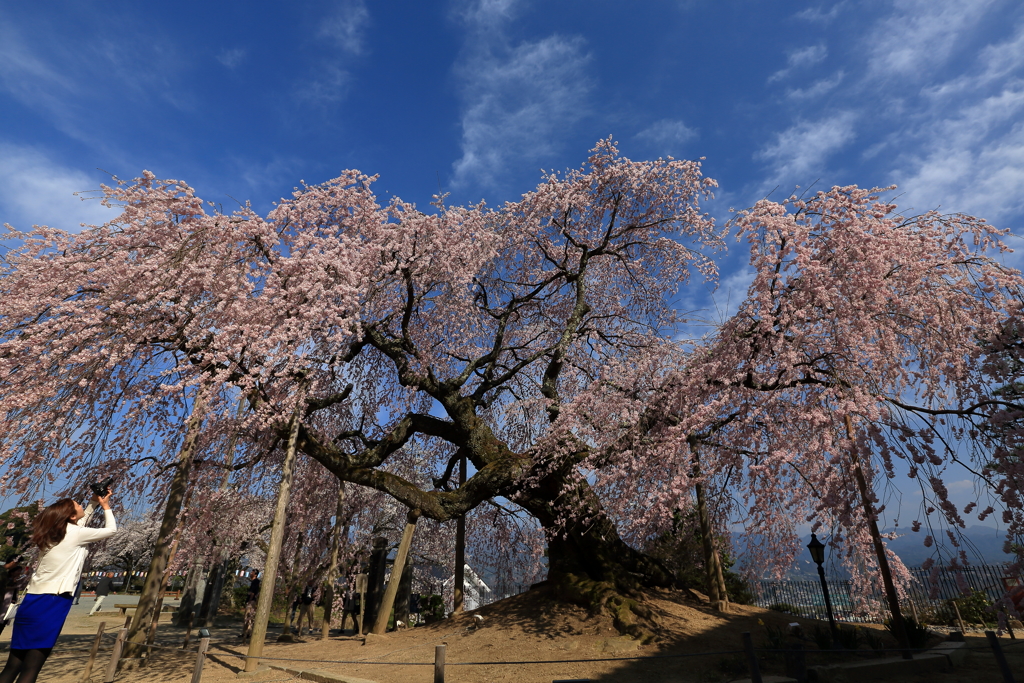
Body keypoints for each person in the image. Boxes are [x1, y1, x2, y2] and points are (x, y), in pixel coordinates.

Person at [0, 489, 116, 683]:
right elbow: (111, 530)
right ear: (70, 516)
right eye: (78, 505)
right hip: (53, 602)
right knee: (32, 667)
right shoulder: (75, 533)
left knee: (13, 665)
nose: (81, 506)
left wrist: (92, 503)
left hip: (31, 602)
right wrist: (105, 506)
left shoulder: (50, 535)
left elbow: (78, 523)